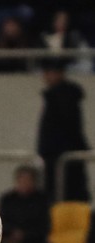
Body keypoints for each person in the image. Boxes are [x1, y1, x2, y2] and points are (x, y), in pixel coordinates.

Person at [37, 59, 91, 203]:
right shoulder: (63, 96)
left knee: (64, 195)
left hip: (59, 155)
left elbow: (68, 127)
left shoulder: (61, 97)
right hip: (60, 154)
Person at [0, 164, 52, 243]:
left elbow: (44, 226)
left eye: (28, 180)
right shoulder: (7, 199)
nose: (24, 183)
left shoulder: (41, 200)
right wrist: (12, 233)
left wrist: (24, 235)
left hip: (34, 242)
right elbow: (1, 222)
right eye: (22, 180)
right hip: (9, 239)